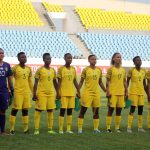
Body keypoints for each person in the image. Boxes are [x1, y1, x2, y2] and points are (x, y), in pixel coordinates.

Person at [78, 54, 106, 134]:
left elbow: (100, 82)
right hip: (87, 93)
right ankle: (80, 129)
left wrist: (105, 90)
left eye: (95, 59)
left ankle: (96, 129)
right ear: (89, 60)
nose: (94, 60)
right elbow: (81, 82)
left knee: (96, 111)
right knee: (83, 111)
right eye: (92, 59)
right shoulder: (86, 70)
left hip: (96, 93)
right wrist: (78, 91)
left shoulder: (99, 70)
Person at [33, 53, 58, 135]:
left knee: (50, 110)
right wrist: (34, 93)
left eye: (50, 59)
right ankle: (36, 129)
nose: (49, 60)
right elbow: (35, 83)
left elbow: (55, 82)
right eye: (47, 59)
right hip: (41, 93)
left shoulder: (53, 70)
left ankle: (50, 129)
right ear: (43, 60)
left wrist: (58, 92)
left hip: (51, 93)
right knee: (38, 110)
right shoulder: (40, 70)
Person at [9, 52, 33, 135]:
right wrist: (10, 89)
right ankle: (12, 129)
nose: (24, 58)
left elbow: (30, 81)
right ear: (18, 59)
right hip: (18, 92)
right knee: (15, 110)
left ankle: (26, 129)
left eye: (25, 57)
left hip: (26, 92)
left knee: (25, 110)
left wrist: (33, 92)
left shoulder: (29, 69)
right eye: (22, 57)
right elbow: (10, 79)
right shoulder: (15, 68)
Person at [57, 53, 80, 134]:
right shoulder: (61, 69)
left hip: (71, 93)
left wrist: (78, 91)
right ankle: (60, 129)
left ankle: (68, 129)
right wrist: (58, 92)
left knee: (70, 111)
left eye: (71, 58)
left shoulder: (73, 69)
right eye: (68, 58)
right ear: (64, 58)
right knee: (62, 111)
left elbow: (74, 81)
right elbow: (58, 82)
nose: (70, 59)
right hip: (63, 93)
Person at [106, 52, 127, 133]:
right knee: (110, 110)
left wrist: (126, 91)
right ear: (113, 59)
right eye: (117, 57)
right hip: (113, 93)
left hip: (121, 93)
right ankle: (108, 128)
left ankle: (117, 127)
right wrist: (108, 91)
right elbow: (107, 82)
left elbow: (124, 81)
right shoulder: (111, 69)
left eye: (120, 57)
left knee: (119, 110)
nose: (119, 58)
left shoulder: (123, 70)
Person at [127, 56, 147, 133]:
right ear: (134, 62)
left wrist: (148, 94)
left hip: (141, 93)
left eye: (140, 60)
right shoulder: (131, 70)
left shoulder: (143, 71)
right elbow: (127, 81)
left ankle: (140, 127)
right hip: (133, 93)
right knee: (132, 109)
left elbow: (144, 84)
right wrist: (126, 91)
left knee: (140, 109)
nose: (139, 61)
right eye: (137, 60)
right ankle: (129, 127)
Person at [0, 48, 13, 135]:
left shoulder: (7, 65)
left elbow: (9, 79)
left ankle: (3, 131)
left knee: (3, 111)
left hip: (4, 91)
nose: (1, 54)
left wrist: (11, 89)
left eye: (2, 53)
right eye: (0, 53)